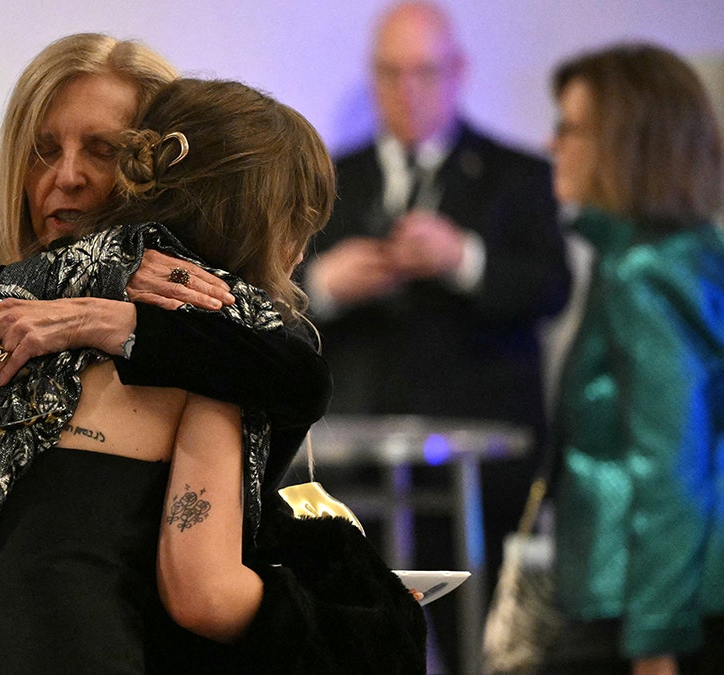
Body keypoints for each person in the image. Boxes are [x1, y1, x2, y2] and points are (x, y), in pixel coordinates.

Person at [0, 34, 335, 673]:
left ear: (159, 164)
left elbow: (297, 373)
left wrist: (119, 319)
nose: (66, 175)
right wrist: (62, 284)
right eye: (42, 149)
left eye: (103, 150)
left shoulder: (198, 321)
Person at [301, 2, 571, 670]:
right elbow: (269, 298)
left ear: (458, 73)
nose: (408, 91)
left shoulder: (518, 175)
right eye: (391, 74)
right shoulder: (325, 179)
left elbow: (552, 289)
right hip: (351, 470)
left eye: (424, 72)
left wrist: (464, 260)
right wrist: (325, 284)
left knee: (486, 647)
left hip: (481, 473)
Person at [542, 42, 724, 675]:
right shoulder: (688, 250)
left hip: (645, 600)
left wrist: (656, 641)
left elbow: (675, 465)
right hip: (667, 589)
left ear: (627, 142)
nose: (552, 143)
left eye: (571, 128)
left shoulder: (646, 269)